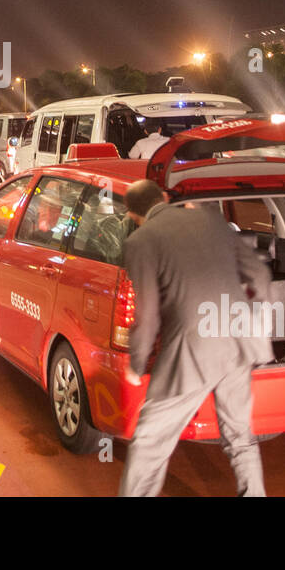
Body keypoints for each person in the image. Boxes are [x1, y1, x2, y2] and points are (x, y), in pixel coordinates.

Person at [117, 179, 274, 497]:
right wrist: (256, 322)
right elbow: (259, 274)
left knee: (150, 441)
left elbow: (147, 316)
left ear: (132, 215)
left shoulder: (141, 241)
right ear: (163, 197)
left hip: (192, 350)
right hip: (239, 339)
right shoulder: (210, 219)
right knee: (240, 437)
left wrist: (136, 364)